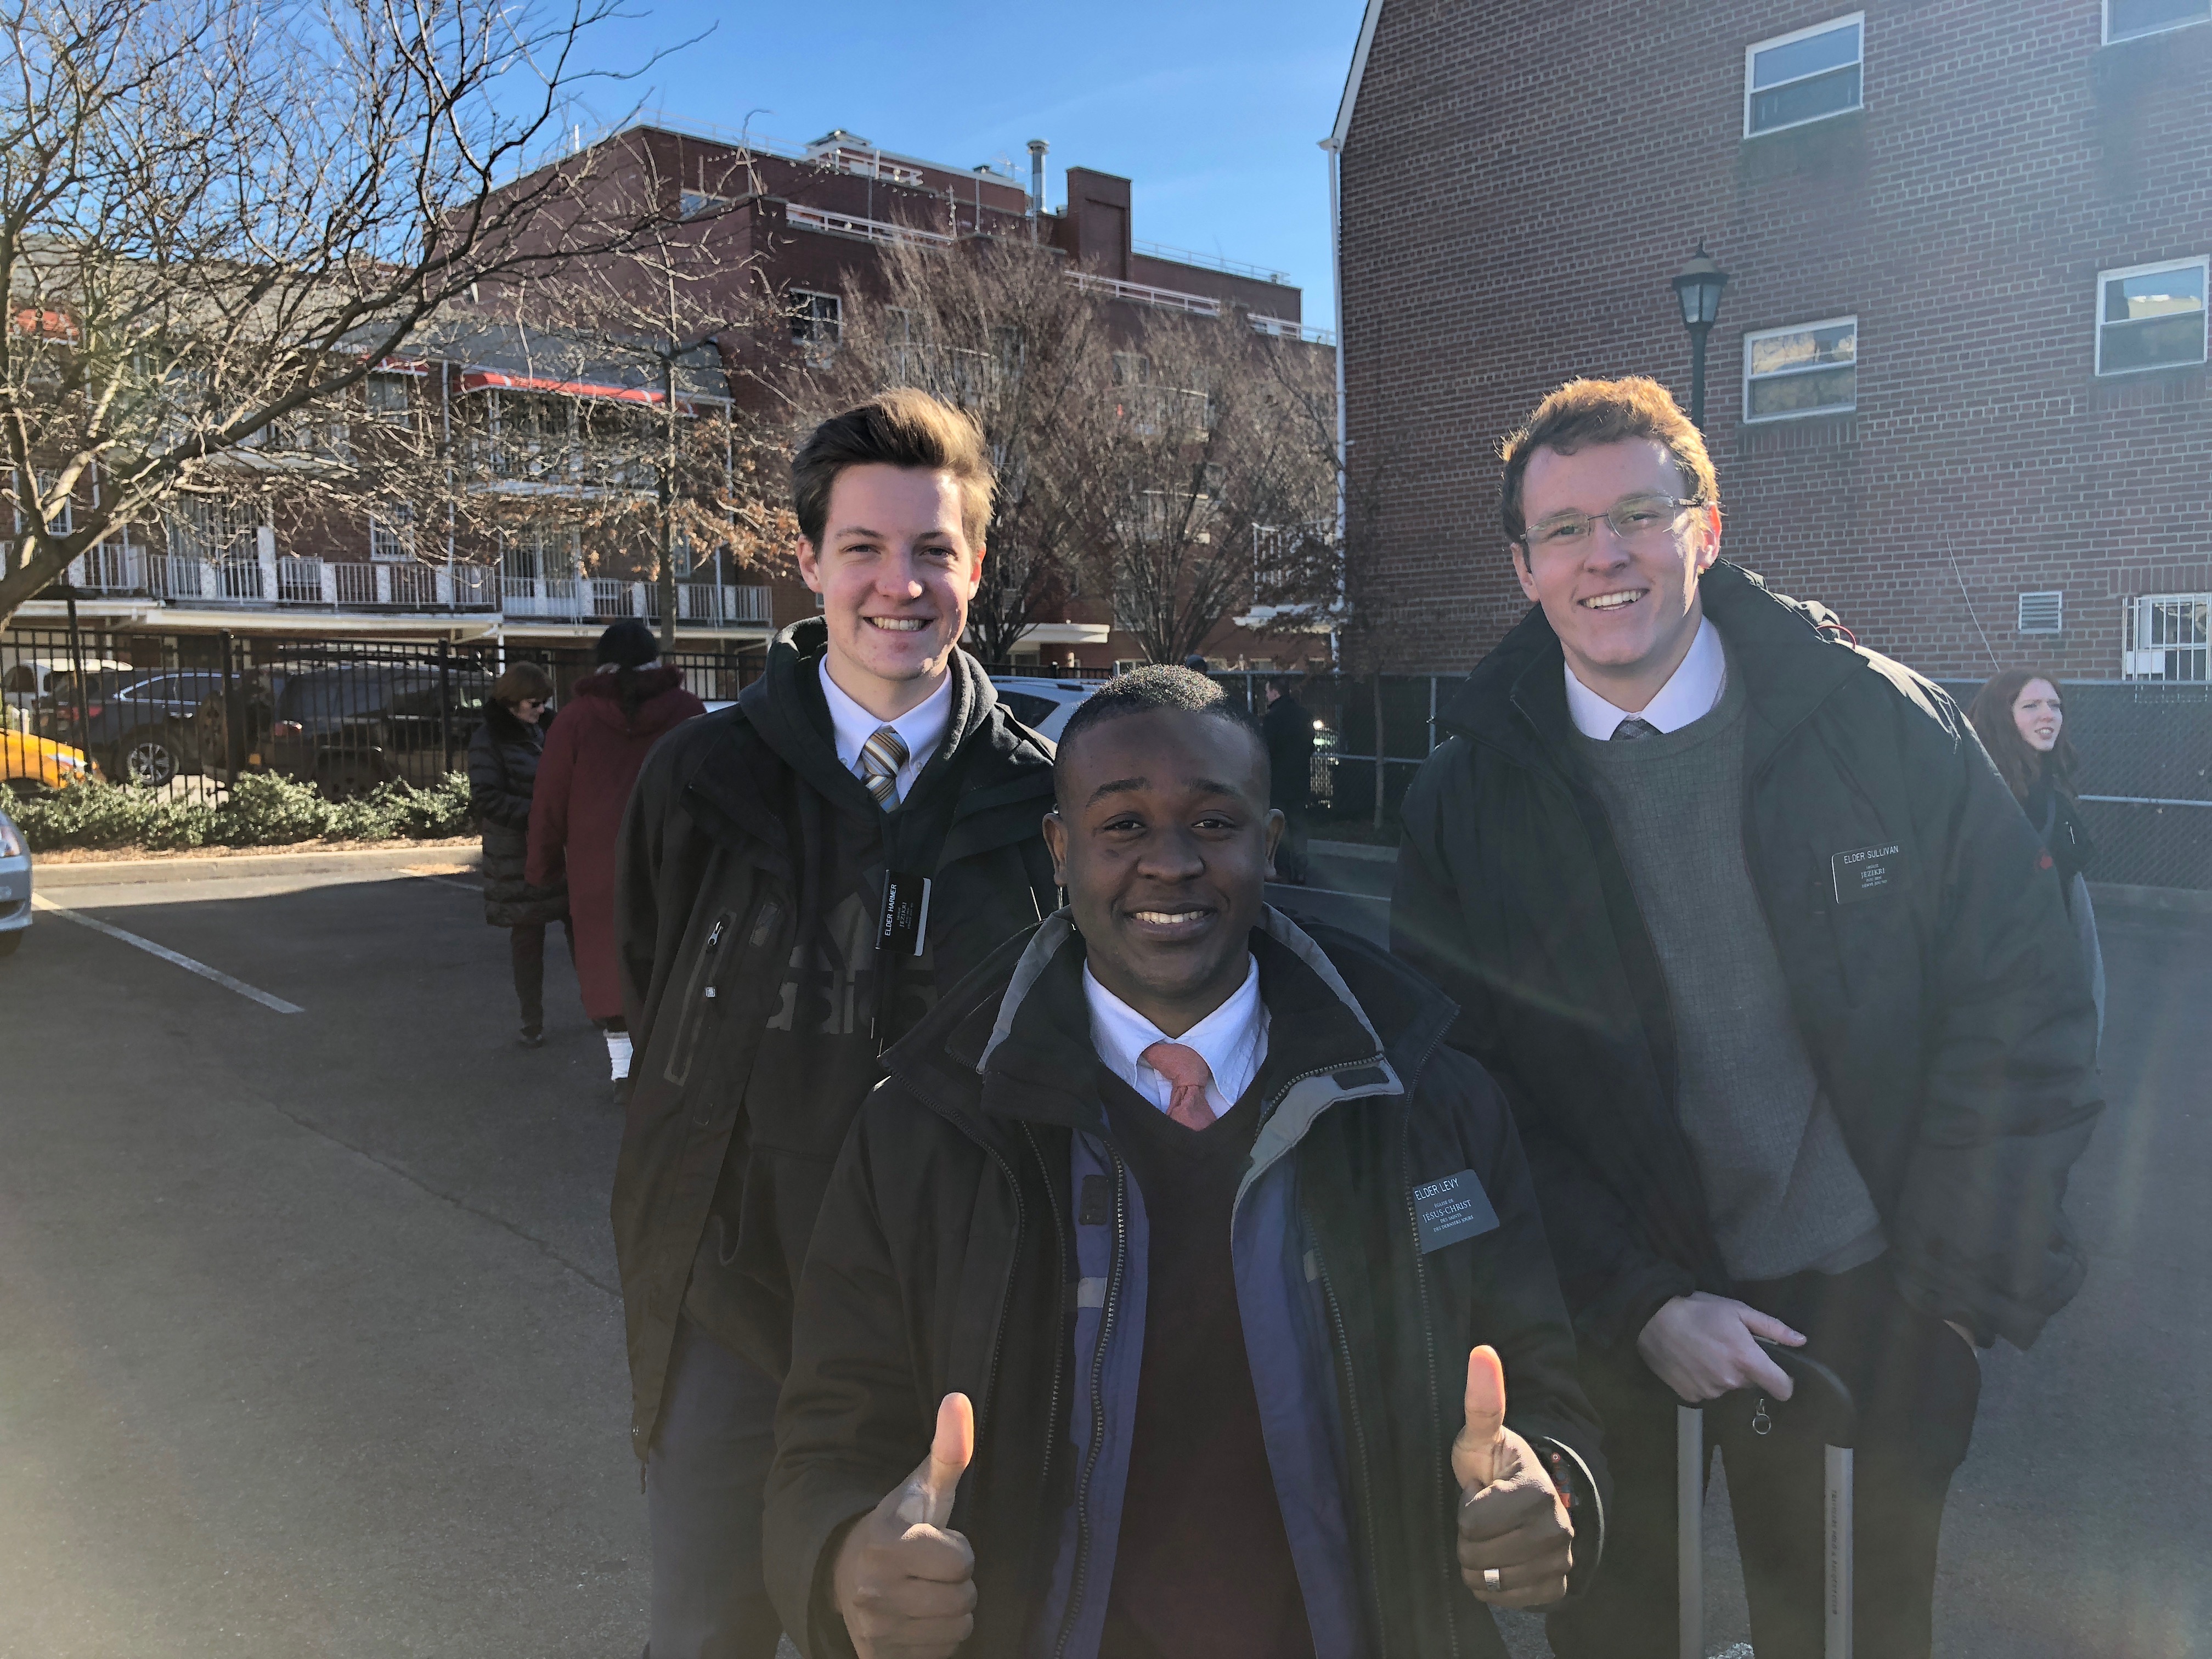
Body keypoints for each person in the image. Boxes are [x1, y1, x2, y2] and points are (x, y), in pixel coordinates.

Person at [1391, 376, 2102, 1659]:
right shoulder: (1466, 798)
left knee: (1848, 1638)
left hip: (1868, 1302)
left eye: (1639, 515)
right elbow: (1462, 1089)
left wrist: (1945, 1300)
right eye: (1564, 529)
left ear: (1706, 531)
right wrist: (1639, 1302)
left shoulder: (1879, 724)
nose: (1605, 554)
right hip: (1611, 1316)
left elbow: (2025, 1003)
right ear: (1524, 568)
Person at [764, 667, 1608, 1659]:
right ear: (1060, 849)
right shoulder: (925, 1129)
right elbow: (827, 1442)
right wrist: (843, 1563)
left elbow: (1545, 1382)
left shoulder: (1430, 1103)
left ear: (1270, 843)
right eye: (1122, 825)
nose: (1169, 863)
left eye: (1214, 822)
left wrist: (1553, 1487)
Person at [610, 390, 1062, 1659]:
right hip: (735, 1308)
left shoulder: (1041, 804)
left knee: (933, 1630)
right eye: (862, 548)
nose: (897, 585)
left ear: (976, 568)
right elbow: (657, 986)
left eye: (932, 550)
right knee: (711, 1632)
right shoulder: (703, 779)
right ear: (808, 563)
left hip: (960, 1323)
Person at [528, 619, 706, 1096]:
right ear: (654, 659)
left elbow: (549, 800)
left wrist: (542, 867)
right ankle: (674, 1062)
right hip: (677, 857)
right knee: (675, 957)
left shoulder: (575, 720)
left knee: (608, 961)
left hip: (598, 863)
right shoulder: (688, 712)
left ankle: (624, 1069)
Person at [1967, 669, 2104, 1043]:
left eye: (2055, 705)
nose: (2049, 715)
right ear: (2000, 717)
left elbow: (2074, 904)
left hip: (2055, 977)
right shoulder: (1978, 798)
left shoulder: (2051, 793)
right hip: (1998, 996)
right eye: (2031, 705)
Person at [468, 662, 571, 1046]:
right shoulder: (489, 739)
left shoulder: (550, 729)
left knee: (579, 924)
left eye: (545, 702)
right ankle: (532, 1019)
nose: (541, 710)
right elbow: (487, 797)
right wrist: (540, 815)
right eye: (534, 703)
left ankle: (600, 1008)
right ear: (512, 702)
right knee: (528, 934)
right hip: (517, 851)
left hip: (558, 844)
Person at [1262, 674, 1317, 884]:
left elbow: (1267, 749)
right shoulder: (1304, 716)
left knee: (1279, 827)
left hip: (1279, 781)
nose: (1267, 696)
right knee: (1299, 825)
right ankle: (1300, 869)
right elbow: (1310, 747)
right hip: (1300, 779)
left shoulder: (1273, 718)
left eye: (1268, 692)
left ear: (1275, 693)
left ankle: (1281, 869)